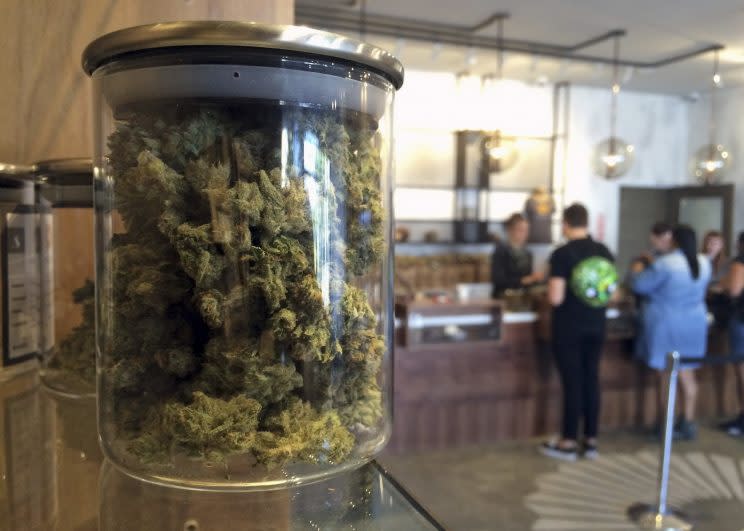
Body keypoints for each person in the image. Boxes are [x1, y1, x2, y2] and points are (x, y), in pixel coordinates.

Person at [540, 203, 615, 461]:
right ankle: (591, 441)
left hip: (569, 327)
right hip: (597, 324)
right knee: (591, 380)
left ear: (565, 224)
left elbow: (556, 298)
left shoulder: (562, 254)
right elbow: (609, 291)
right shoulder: (604, 251)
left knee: (572, 382)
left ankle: (568, 442)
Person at [631, 225, 711, 441]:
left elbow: (639, 285)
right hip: (695, 323)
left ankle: (667, 424)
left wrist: (640, 267)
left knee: (667, 375)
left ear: (674, 241)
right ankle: (689, 421)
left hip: (667, 323)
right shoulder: (704, 262)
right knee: (688, 372)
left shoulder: (666, 264)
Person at [718, 232, 744, 435]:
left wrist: (724, 283)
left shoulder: (740, 261)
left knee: (742, 370)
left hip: (742, 319)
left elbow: (734, 289)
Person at [491, 213, 542, 298]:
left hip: (522, 298)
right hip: (504, 298)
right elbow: (498, 280)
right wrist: (524, 280)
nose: (525, 234)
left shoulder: (527, 253)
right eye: (521, 230)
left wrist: (535, 279)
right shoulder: (501, 251)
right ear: (510, 230)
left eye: (526, 230)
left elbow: (528, 279)